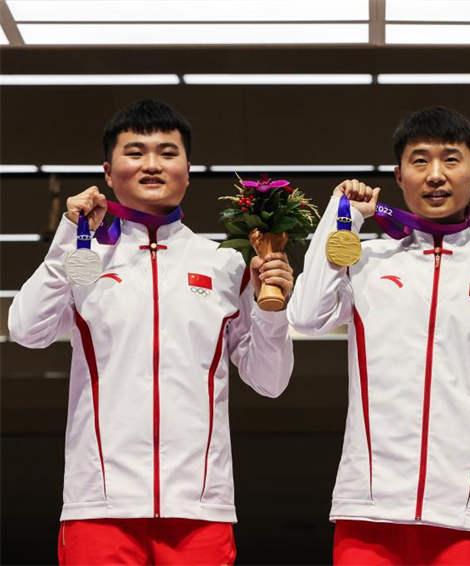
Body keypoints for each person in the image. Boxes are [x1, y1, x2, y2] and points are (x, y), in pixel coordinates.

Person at [8, 99, 295, 565]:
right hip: (99, 506)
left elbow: (271, 380)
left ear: (187, 168)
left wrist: (271, 311)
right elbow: (25, 329)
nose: (152, 164)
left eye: (167, 152)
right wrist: (69, 234)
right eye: (135, 152)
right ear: (108, 170)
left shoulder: (224, 264)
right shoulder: (87, 259)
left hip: (199, 507)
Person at [288, 106, 470, 565]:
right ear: (398, 174)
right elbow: (306, 315)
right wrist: (340, 216)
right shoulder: (366, 260)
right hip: (369, 507)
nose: (435, 175)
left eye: (451, 160)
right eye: (420, 161)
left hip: (465, 510)